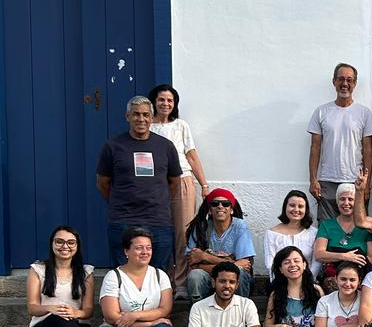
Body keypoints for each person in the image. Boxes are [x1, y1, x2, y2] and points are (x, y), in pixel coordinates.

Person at [96, 95, 182, 273]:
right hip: (122, 220)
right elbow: (103, 183)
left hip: (158, 220)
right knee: (123, 273)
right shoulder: (113, 146)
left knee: (158, 274)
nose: (141, 119)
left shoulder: (165, 146)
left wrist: (160, 201)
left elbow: (174, 182)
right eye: (135, 114)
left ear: (151, 117)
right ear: (127, 116)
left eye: (145, 114)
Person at [149, 83, 210, 298]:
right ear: (153, 102)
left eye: (170, 100)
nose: (165, 103)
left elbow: (191, 155)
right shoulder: (147, 126)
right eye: (161, 99)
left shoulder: (181, 125)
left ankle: (182, 284)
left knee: (183, 233)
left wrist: (203, 185)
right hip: (155, 184)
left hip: (182, 179)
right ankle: (162, 282)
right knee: (158, 233)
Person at [307, 63, 372, 219]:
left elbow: (368, 150)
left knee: (359, 228)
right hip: (327, 181)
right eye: (341, 79)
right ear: (334, 81)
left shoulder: (364, 113)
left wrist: (366, 184)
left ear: (354, 83)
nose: (345, 84)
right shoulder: (321, 111)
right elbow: (315, 147)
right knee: (327, 227)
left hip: (356, 181)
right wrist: (313, 180)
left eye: (349, 80)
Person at [185, 189, 255, 302]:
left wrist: (205, 257)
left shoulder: (240, 226)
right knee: (195, 275)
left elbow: (245, 263)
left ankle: (240, 311)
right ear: (209, 210)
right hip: (209, 278)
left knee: (239, 272)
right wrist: (231, 262)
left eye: (226, 204)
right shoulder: (200, 228)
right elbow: (194, 265)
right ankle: (197, 313)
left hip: (233, 279)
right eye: (215, 204)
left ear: (231, 209)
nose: (220, 206)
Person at [313, 182, 372, 292]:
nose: (346, 203)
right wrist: (345, 256)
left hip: (360, 276)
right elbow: (319, 254)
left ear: (357, 202)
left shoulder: (366, 226)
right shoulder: (327, 225)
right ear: (337, 202)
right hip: (333, 276)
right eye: (342, 199)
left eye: (350, 199)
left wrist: (351, 270)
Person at [263, 190, 318, 279]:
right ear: (285, 207)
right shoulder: (271, 234)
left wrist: (308, 281)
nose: (296, 209)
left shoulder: (314, 233)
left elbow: (317, 262)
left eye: (300, 206)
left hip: (308, 281)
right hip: (279, 282)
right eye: (292, 205)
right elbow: (270, 264)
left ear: (306, 209)